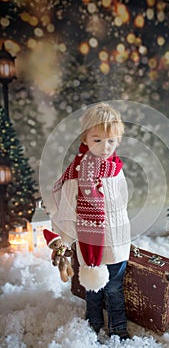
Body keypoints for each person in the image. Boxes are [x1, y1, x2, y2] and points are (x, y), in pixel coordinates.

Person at [50, 102, 131, 340]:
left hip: (117, 241)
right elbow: (66, 210)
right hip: (90, 242)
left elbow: (122, 200)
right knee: (93, 289)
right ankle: (93, 323)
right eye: (97, 140)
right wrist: (63, 242)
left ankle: (118, 327)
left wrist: (122, 226)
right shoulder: (76, 174)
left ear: (117, 141)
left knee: (115, 288)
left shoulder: (116, 169)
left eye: (111, 141)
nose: (104, 147)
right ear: (85, 138)